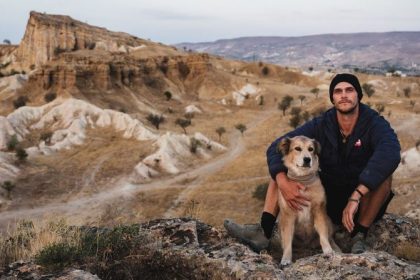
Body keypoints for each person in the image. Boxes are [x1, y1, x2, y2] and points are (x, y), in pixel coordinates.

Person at [224, 73, 401, 254]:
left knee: (384, 176)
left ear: (359, 95)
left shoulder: (374, 123)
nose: (344, 95)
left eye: (349, 90)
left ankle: (359, 235)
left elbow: (391, 153)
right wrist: (283, 183)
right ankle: (264, 231)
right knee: (284, 166)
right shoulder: (322, 124)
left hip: (362, 202)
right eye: (338, 91)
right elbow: (276, 148)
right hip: (328, 199)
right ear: (333, 97)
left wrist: (357, 194)